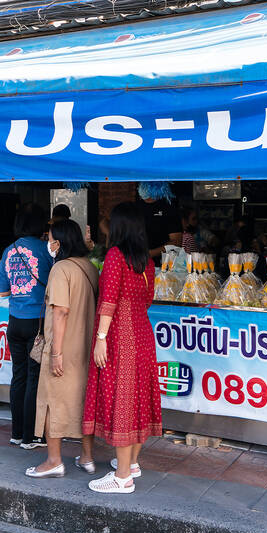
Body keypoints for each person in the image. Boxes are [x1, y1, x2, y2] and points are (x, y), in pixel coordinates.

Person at [82, 202, 161, 494]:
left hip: (121, 335)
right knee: (140, 399)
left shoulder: (116, 256)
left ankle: (123, 477)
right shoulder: (145, 261)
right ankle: (133, 464)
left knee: (123, 401)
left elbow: (109, 301)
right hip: (143, 332)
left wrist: (101, 337)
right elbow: (149, 298)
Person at [26, 219, 99, 479]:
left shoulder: (61, 269)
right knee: (84, 401)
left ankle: (54, 460)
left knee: (51, 402)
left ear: (59, 242)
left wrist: (56, 352)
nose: (48, 242)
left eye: (50, 238)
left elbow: (60, 311)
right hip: (86, 349)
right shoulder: (89, 267)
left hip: (64, 348)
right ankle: (87, 457)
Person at [0, 207, 52, 450]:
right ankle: (31, 438)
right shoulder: (45, 250)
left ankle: (17, 433)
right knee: (34, 378)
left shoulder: (9, 251)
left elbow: (2, 291)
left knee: (18, 376)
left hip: (14, 322)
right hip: (36, 323)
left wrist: (20, 289)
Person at [136, 186, 182, 263]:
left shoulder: (168, 207)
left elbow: (176, 242)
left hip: (163, 264)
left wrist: (150, 253)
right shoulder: (135, 207)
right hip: (137, 262)